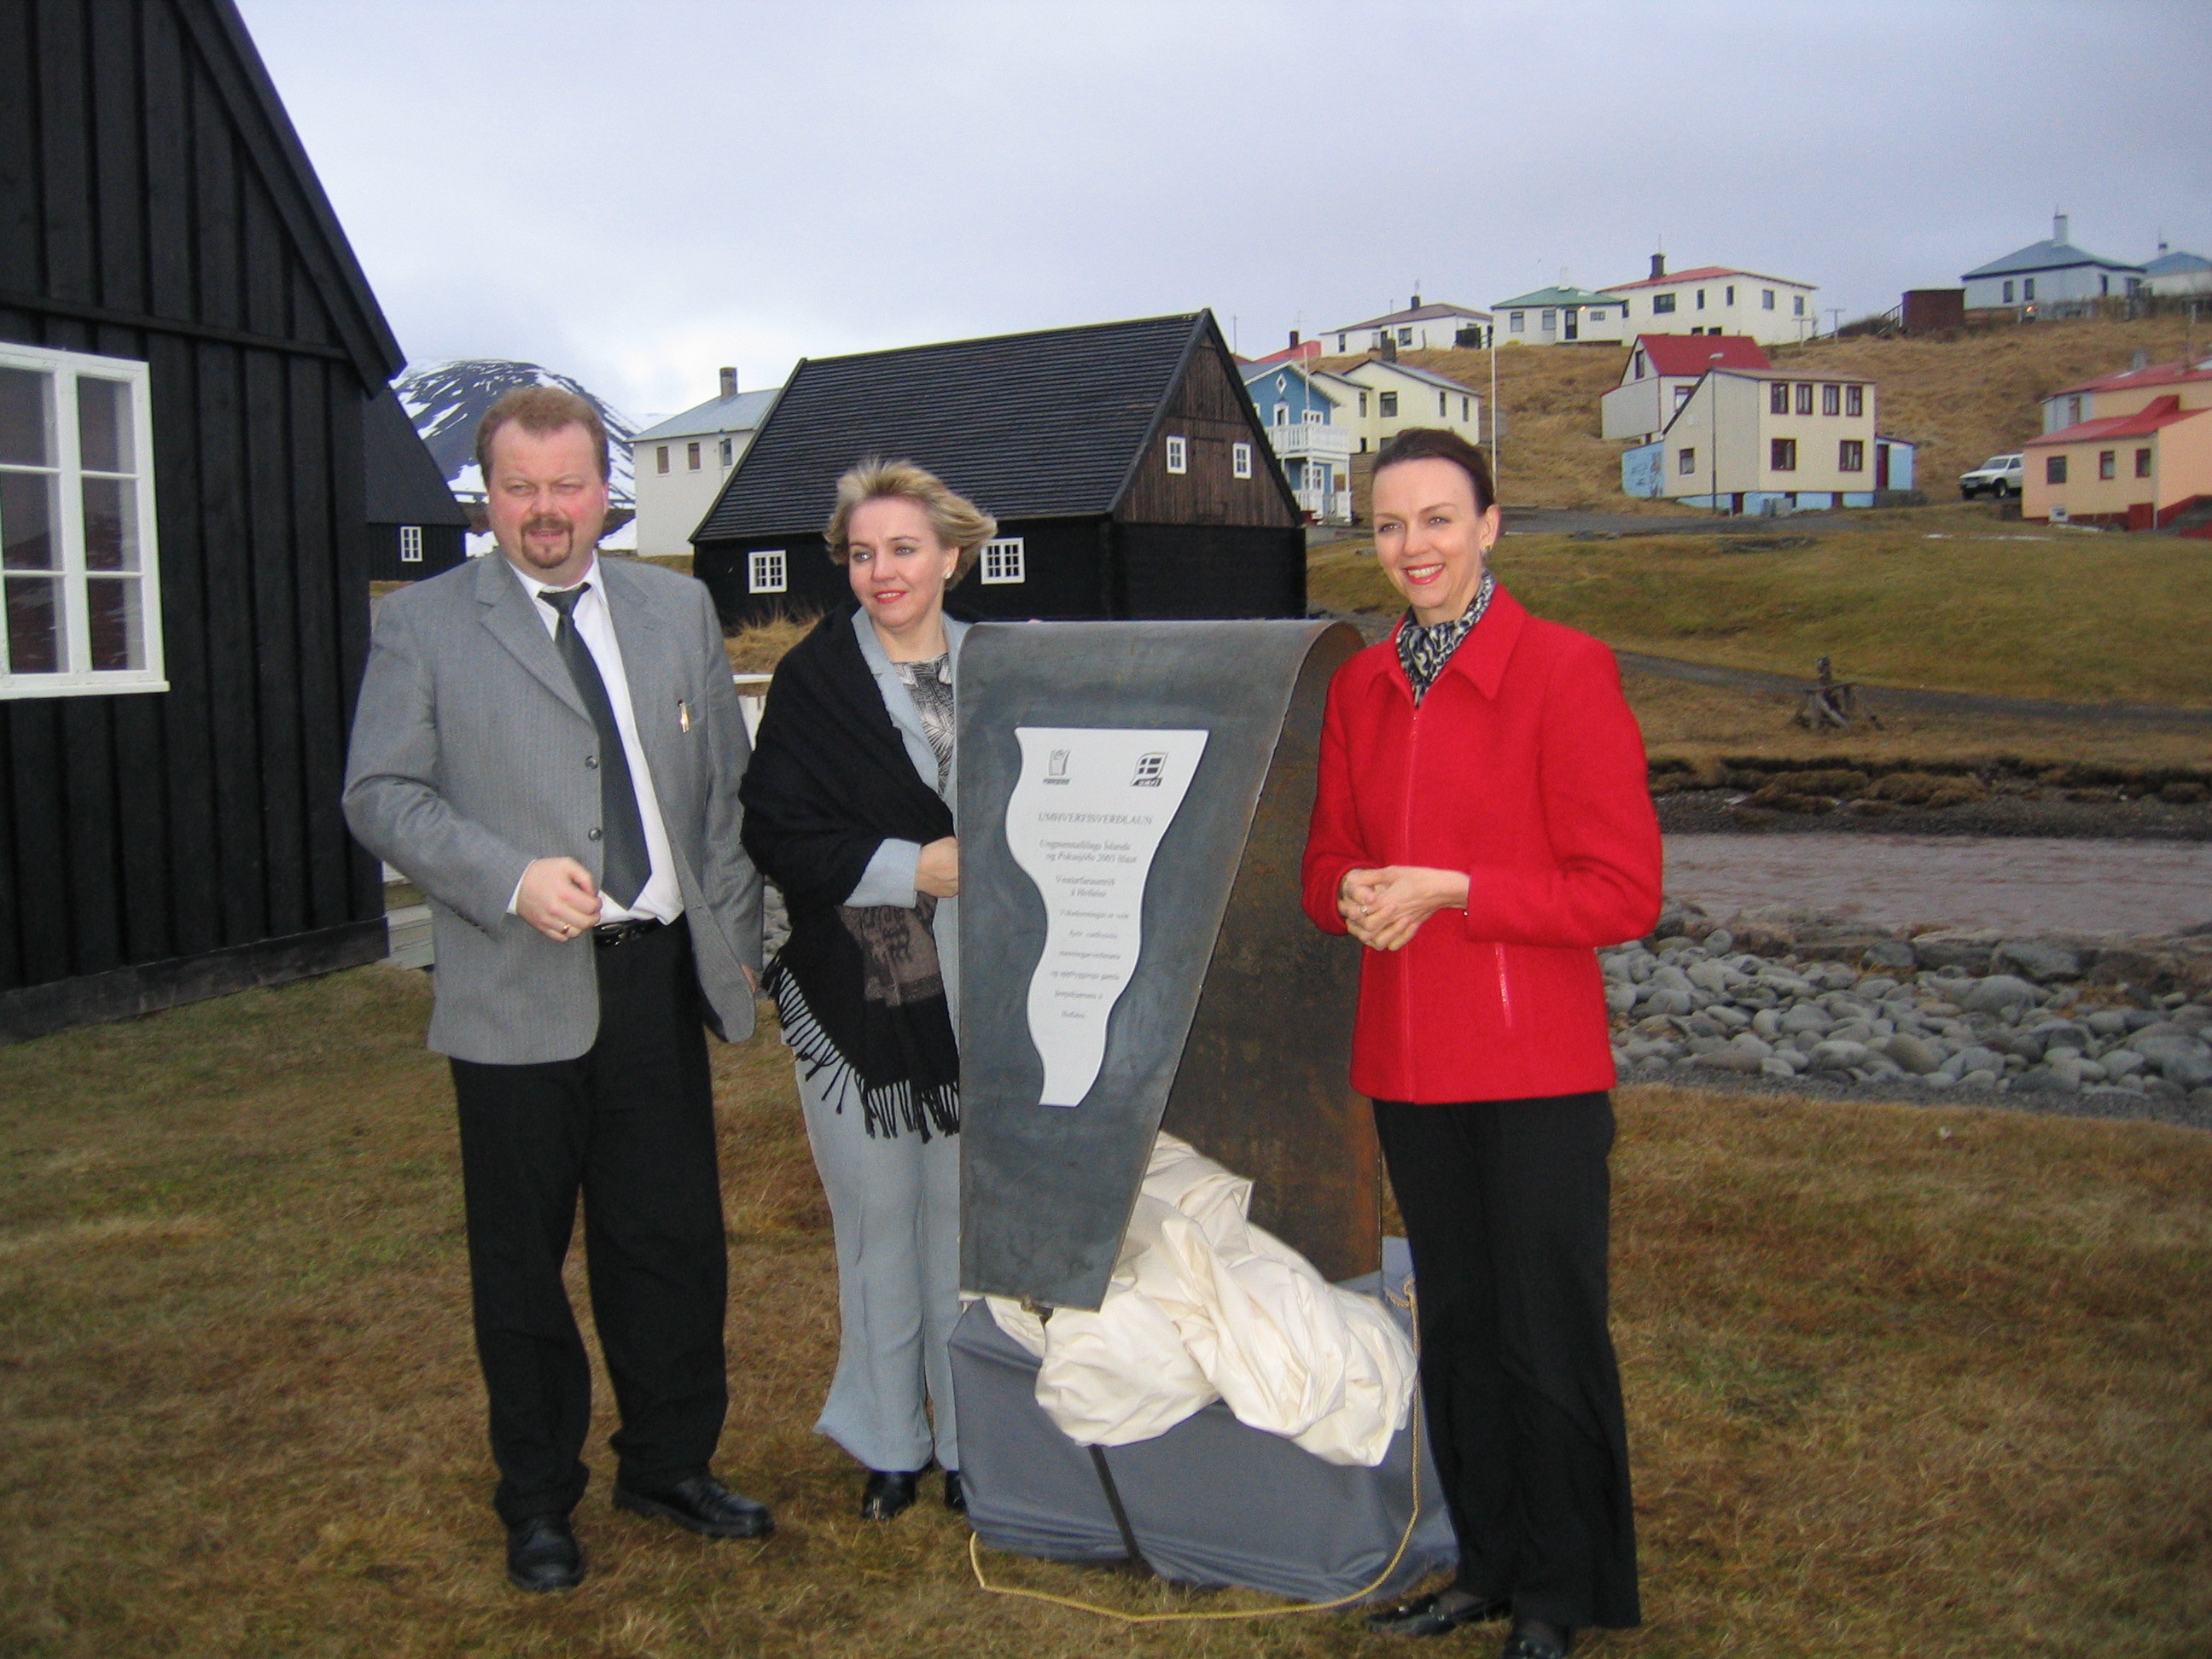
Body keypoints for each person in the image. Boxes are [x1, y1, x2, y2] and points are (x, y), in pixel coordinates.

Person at [343, 386, 772, 1594]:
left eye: (569, 485)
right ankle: (537, 1498)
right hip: (514, 988)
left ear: (603, 491)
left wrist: (739, 943)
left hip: (654, 990)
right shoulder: (426, 626)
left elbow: (720, 803)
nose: (546, 511)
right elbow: (380, 793)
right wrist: (504, 877)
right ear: (486, 495)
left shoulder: (675, 606)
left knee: (670, 1245)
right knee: (521, 1267)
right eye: (520, 488)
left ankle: (669, 1463)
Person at [1300, 428, 1662, 1658]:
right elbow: (1324, 865)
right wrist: (1353, 895)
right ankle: (1486, 1564)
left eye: (1439, 520)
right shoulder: (1360, 685)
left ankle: (1565, 1590)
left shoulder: (1566, 671)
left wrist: (1456, 890)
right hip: (1409, 1061)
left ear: (1491, 525)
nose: (1414, 547)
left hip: (1537, 1070)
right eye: (1391, 525)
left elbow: (1621, 892)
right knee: (1454, 1324)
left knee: (1545, 1327)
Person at [738, 457, 988, 1522]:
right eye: (861, 553)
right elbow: (777, 830)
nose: (882, 571)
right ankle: (892, 1439)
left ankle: (976, 1434)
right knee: (879, 1219)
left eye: (903, 549)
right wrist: (910, 865)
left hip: (994, 985)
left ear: (950, 556)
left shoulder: (1009, 669)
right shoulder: (815, 682)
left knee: (965, 1223)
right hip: (858, 993)